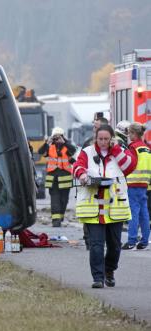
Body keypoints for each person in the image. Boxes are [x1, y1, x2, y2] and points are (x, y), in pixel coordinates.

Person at [73, 125, 137, 288]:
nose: (103, 142)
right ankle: (98, 278)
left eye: (106, 139)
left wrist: (116, 149)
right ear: (96, 138)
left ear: (111, 139)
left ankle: (109, 270)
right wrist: (83, 175)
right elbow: (77, 166)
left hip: (115, 207)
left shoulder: (119, 151)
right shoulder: (87, 152)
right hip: (93, 206)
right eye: (100, 139)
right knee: (96, 244)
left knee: (115, 246)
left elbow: (129, 167)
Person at [81, 112, 110, 249]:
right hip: (90, 186)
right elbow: (79, 162)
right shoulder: (87, 144)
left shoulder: (113, 145)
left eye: (96, 127)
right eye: (94, 127)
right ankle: (89, 241)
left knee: (106, 215)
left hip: (108, 189)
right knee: (89, 213)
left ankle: (103, 241)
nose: (94, 129)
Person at [38, 127, 76, 227]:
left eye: (59, 137)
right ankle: (56, 220)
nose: (57, 139)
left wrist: (64, 142)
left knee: (64, 200)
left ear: (63, 137)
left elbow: (73, 150)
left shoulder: (67, 147)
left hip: (65, 179)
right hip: (53, 179)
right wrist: (47, 142)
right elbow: (40, 152)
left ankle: (60, 216)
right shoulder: (50, 147)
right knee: (55, 199)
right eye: (55, 137)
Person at [122, 123, 151, 250]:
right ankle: (144, 241)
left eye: (129, 133)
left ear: (134, 134)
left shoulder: (132, 147)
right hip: (144, 184)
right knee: (144, 213)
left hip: (132, 183)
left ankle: (131, 241)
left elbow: (129, 164)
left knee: (133, 212)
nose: (128, 136)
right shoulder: (146, 148)